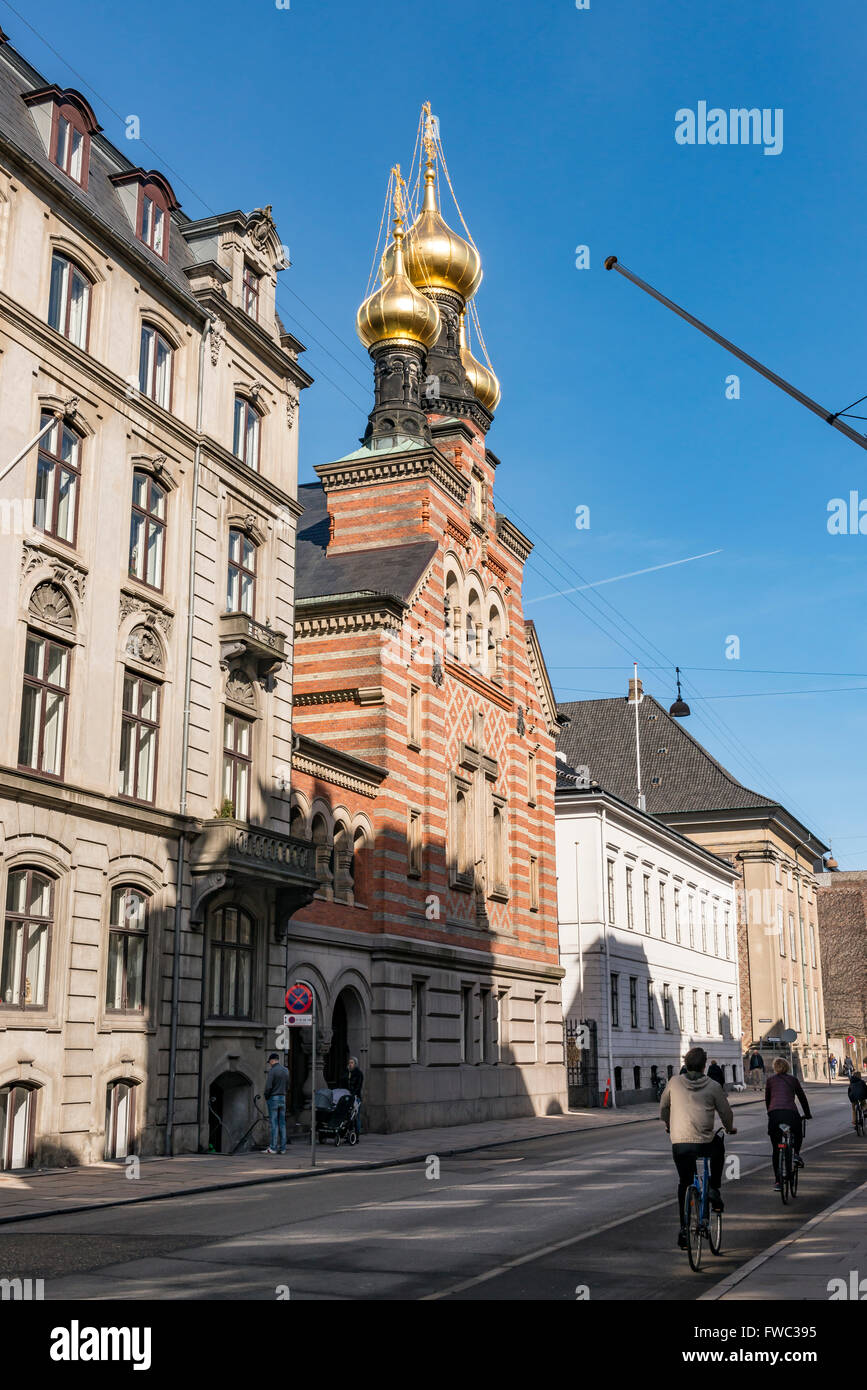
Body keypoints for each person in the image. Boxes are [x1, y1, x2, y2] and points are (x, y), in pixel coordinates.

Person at [660, 1046, 737, 1250]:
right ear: (705, 1066)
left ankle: (684, 1230)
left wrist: (669, 1124)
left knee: (685, 1182)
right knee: (718, 1147)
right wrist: (729, 1128)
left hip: (680, 1143)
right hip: (704, 1142)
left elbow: (663, 1107)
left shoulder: (674, 1082)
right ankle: (713, 1187)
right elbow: (726, 1113)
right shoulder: (713, 1085)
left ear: (685, 1064)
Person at [765, 1057, 811, 1190]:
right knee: (797, 1132)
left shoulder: (770, 1081)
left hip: (775, 1116)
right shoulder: (793, 1080)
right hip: (790, 1114)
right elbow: (802, 1098)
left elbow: (767, 1099)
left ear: (775, 1068)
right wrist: (807, 1114)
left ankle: (778, 1182)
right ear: (787, 1067)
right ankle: (796, 1154)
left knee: (776, 1149)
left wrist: (770, 1113)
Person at [264, 1052, 290, 1154]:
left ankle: (273, 1148)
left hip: (273, 1098)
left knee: (274, 1123)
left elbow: (268, 1086)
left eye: (270, 1061)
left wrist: (266, 1096)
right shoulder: (286, 1070)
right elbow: (288, 1085)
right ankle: (283, 1148)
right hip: (283, 1098)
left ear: (272, 1060)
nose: (270, 1063)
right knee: (282, 1124)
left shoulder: (272, 1071)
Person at [346, 1055, 363, 1138]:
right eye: (349, 1063)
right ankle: (349, 1134)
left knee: (356, 1117)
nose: (350, 1064)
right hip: (348, 1097)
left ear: (355, 1064)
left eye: (352, 1063)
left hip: (356, 1098)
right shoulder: (348, 1073)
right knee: (349, 1117)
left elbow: (358, 1086)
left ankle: (357, 1134)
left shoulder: (358, 1073)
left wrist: (354, 1094)